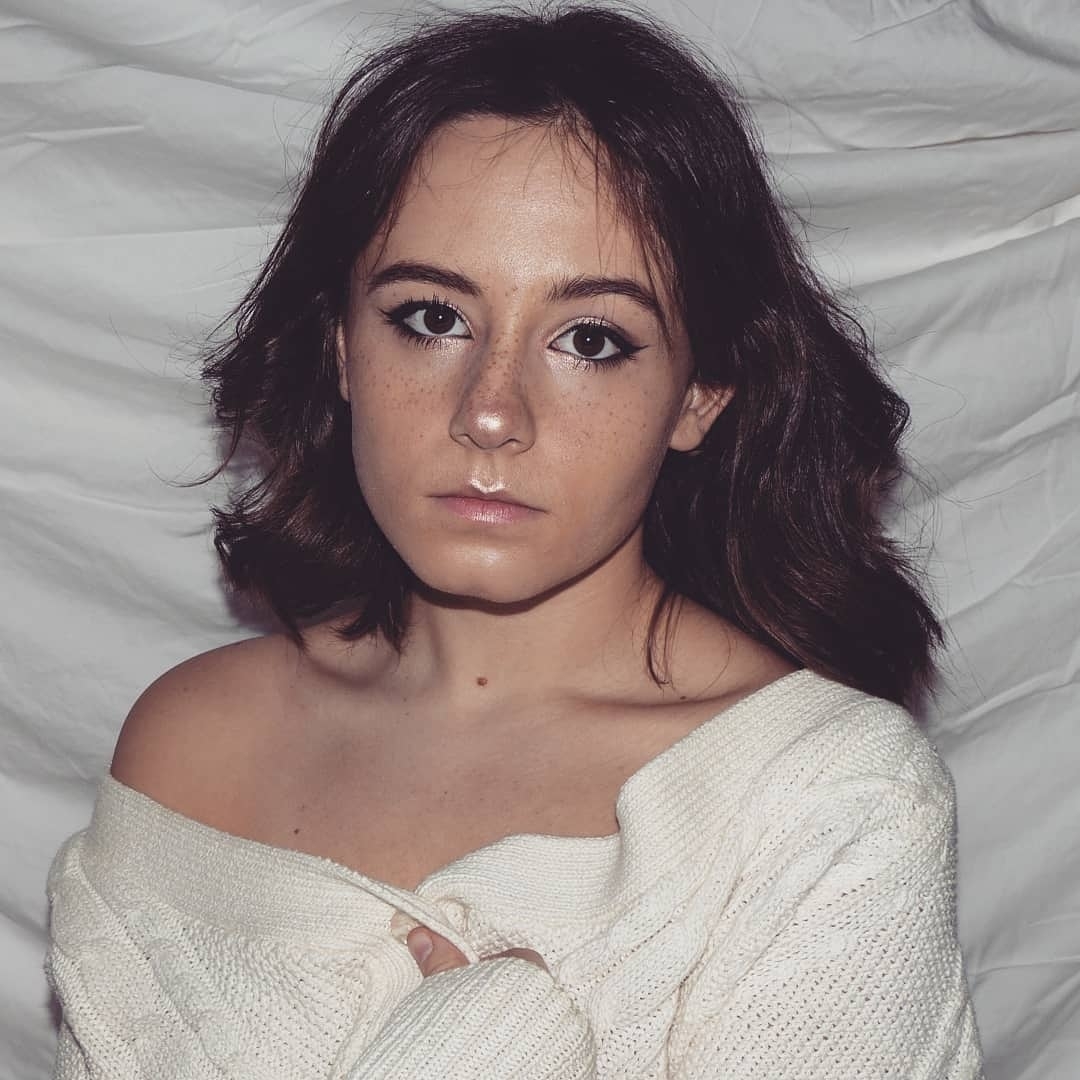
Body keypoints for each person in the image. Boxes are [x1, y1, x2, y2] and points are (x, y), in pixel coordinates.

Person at [43, 4, 984, 1077]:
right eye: (432, 317)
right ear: (340, 345)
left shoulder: (824, 804)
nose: (491, 413)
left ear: (702, 392)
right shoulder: (194, 748)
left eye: (591, 339)